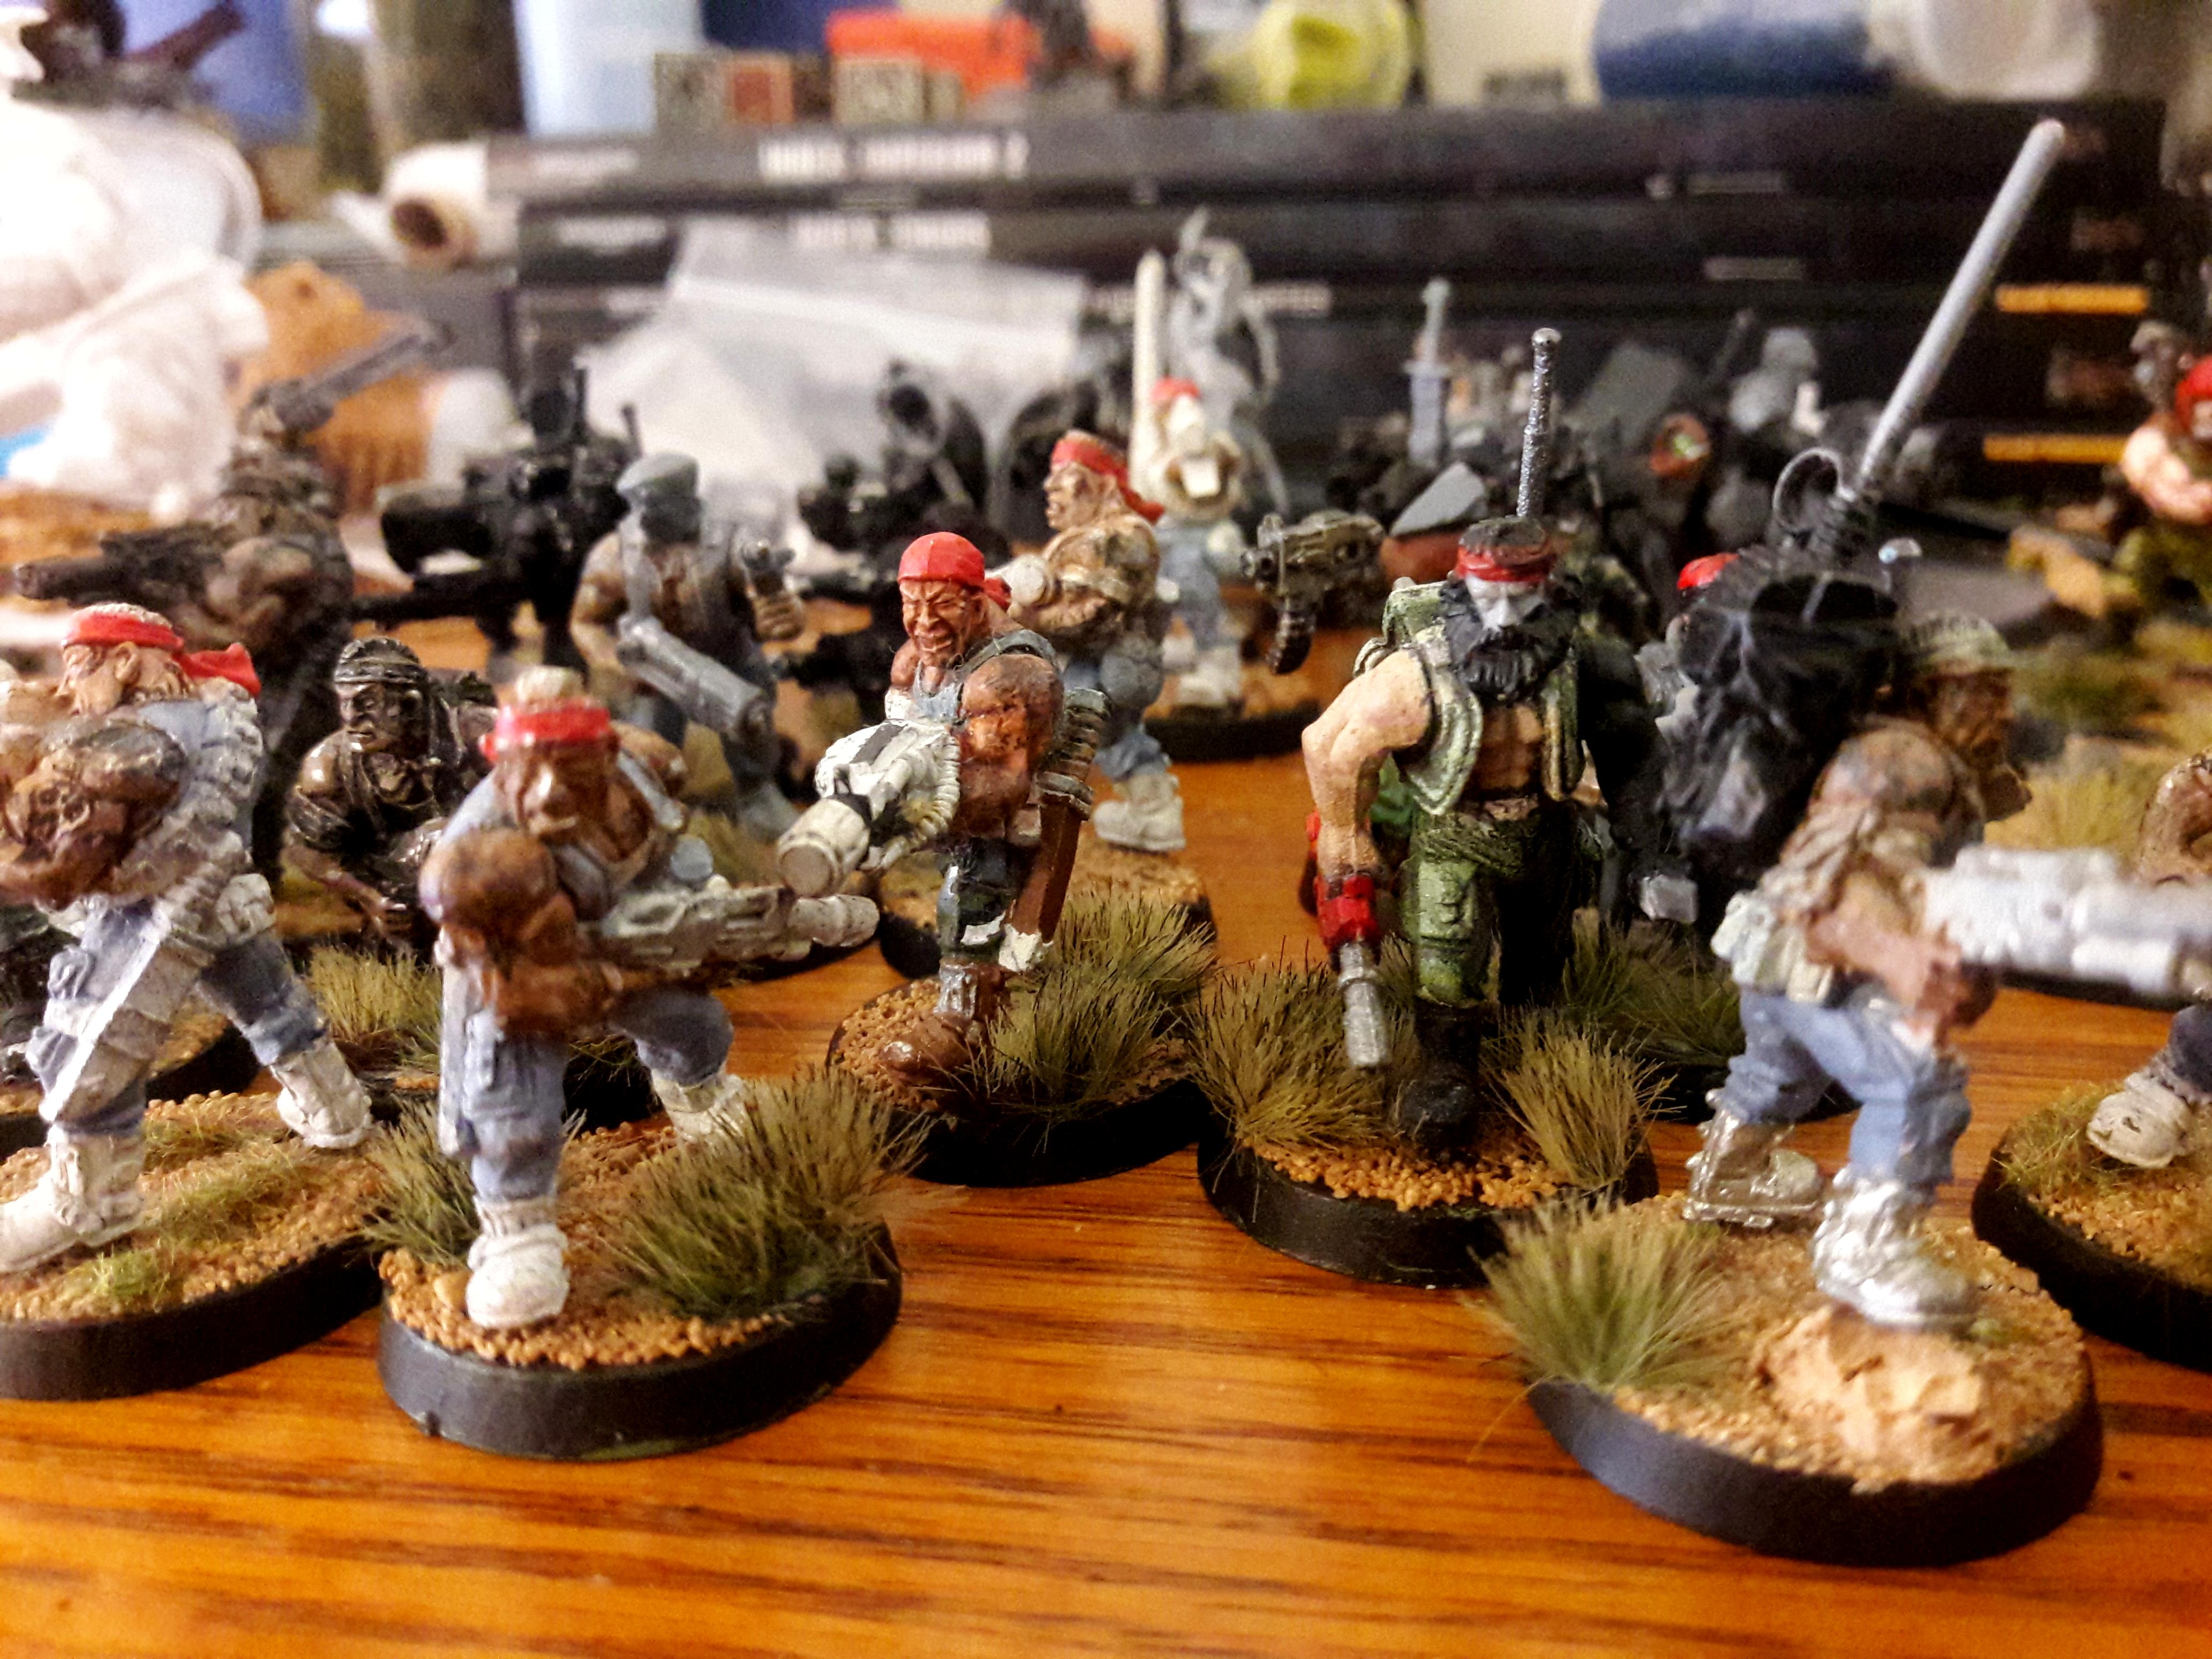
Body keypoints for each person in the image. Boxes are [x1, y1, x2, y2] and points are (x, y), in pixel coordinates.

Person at [0, 603, 371, 1272]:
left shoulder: (155, 735)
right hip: (214, 901)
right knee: (267, 1001)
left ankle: (88, 1204)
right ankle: (335, 1109)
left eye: (79, 667)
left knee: (92, 1049)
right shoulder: (193, 716)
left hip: (154, 915)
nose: (69, 685)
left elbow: (96, 847)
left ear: (125, 660)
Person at [1688, 614, 2030, 1332]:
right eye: (1983, 691)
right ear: (1929, 691)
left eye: (2002, 691)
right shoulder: (1904, 763)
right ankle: (1866, 1247)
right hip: (1824, 958)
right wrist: (1899, 958)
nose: (2003, 710)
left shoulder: (1944, 761)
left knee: (1781, 1073)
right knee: (1917, 1082)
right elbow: (1828, 886)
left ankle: (1729, 1175)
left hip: (1780, 963)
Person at [1303, 515, 1663, 1152]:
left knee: (1543, 946)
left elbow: (1629, 748)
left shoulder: (1582, 663)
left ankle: (1533, 1033)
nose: (1503, 619)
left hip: (1546, 827)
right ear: (1461, 592)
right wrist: (1344, 830)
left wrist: (1647, 848)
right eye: (1487, 599)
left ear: (1549, 592)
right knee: (1448, 952)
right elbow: (1331, 744)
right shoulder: (1414, 676)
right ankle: (1448, 1069)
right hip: (1455, 835)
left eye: (1522, 600)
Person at [420, 667, 754, 1328]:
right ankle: (517, 1237)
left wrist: (691, 914)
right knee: (508, 1098)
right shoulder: (473, 855)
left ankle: (700, 1102)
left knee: (694, 1025)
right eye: (530, 769)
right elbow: (507, 988)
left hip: (624, 936)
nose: (549, 791)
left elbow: (660, 854)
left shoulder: (640, 778)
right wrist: (582, 986)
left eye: (571, 766)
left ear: (605, 753)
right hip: (511, 970)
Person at [859, 532, 1063, 1076]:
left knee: (968, 895)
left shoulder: (1009, 676)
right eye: (912, 604)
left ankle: (960, 1024)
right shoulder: (918, 660)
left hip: (1001, 818)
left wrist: (915, 813)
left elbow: (1003, 787)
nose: (923, 622)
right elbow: (903, 729)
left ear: (974, 602)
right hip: (949, 794)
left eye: (941, 604)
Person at [570, 453, 803, 840]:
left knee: (752, 723)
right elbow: (586, 621)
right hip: (657, 670)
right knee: (646, 747)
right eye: (642, 508)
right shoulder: (615, 553)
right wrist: (619, 662)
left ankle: (757, 796)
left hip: (727, 657)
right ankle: (652, 809)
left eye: (660, 507)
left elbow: (766, 593)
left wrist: (780, 610)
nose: (648, 519)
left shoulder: (729, 542)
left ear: (688, 500)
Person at [1004, 431, 1183, 853]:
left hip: (1115, 660)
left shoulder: (1119, 538)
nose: (1050, 488)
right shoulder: (1091, 534)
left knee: (1096, 729)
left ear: (1099, 485)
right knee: (1088, 730)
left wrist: (1028, 618)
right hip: (1095, 657)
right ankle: (1149, 811)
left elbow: (1095, 612)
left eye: (1064, 477)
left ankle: (1153, 812)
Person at [284, 637, 494, 951]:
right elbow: (310, 850)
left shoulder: (483, 736)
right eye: (345, 703)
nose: (351, 718)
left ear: (410, 705)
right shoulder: (330, 765)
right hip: (389, 878)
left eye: (367, 704)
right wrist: (371, 899)